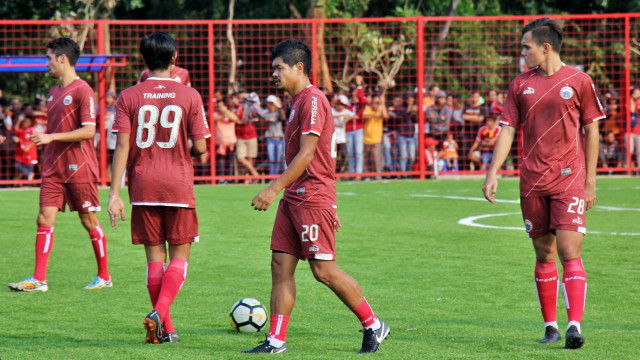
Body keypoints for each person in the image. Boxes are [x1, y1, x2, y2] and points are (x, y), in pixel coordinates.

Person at [244, 39, 389, 354]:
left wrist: (273, 188)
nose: (274, 74)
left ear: (298, 67)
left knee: (323, 270)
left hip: (311, 195)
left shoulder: (312, 100)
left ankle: (374, 324)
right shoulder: (297, 101)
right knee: (280, 266)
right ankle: (276, 340)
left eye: (278, 68)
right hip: (295, 198)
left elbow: (308, 155)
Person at [482, 18, 605, 350]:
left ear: (545, 48)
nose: (522, 53)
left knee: (568, 250)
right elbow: (508, 128)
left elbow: (592, 129)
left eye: (527, 47)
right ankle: (550, 326)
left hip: (569, 179)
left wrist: (590, 180)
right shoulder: (520, 84)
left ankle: (574, 326)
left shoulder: (579, 81)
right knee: (543, 252)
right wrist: (493, 172)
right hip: (532, 180)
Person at [108, 32, 211, 344]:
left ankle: (167, 329)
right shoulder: (190, 96)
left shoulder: (128, 96)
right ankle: (160, 313)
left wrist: (114, 194)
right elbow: (200, 148)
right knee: (180, 257)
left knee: (155, 259)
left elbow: (121, 146)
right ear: (175, 58)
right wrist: (186, 149)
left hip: (142, 186)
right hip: (177, 185)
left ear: (144, 60)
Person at [8, 37, 111, 292]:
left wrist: (51, 136)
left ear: (62, 59)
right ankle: (39, 279)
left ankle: (104, 276)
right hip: (53, 168)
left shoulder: (82, 90)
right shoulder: (54, 92)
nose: (46, 63)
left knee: (88, 220)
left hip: (79, 167)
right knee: (43, 217)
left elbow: (88, 131)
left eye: (49, 58)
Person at [362, 94, 388, 178]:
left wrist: (383, 104)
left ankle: (378, 174)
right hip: (366, 138)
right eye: (376, 102)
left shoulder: (381, 109)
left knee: (377, 158)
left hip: (377, 138)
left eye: (378, 102)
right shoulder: (367, 109)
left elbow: (385, 116)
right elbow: (364, 116)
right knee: (366, 158)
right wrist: (374, 114)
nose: (377, 104)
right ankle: (367, 175)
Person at [262, 94, 286, 176]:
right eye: (269, 103)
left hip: (279, 138)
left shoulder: (278, 112)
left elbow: (283, 118)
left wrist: (279, 107)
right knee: (271, 159)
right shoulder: (265, 113)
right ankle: (272, 177)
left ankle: (275, 177)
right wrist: (268, 120)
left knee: (278, 159)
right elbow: (262, 124)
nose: (270, 105)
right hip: (270, 137)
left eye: (272, 103)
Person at [332, 94, 354, 174]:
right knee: (334, 156)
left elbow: (354, 116)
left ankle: (338, 171)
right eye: (340, 104)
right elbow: (330, 116)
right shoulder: (332, 110)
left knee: (344, 155)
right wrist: (341, 115)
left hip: (342, 138)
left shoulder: (346, 112)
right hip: (333, 138)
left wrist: (348, 118)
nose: (341, 107)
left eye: (343, 105)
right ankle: (333, 171)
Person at [12, 115, 38, 183]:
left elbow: (36, 140)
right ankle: (28, 174)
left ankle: (30, 186)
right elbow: (15, 129)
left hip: (30, 152)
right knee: (17, 165)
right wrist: (19, 120)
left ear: (30, 123)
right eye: (23, 122)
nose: (24, 123)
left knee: (29, 167)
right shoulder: (21, 129)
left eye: (26, 122)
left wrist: (28, 146)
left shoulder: (32, 129)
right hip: (21, 152)